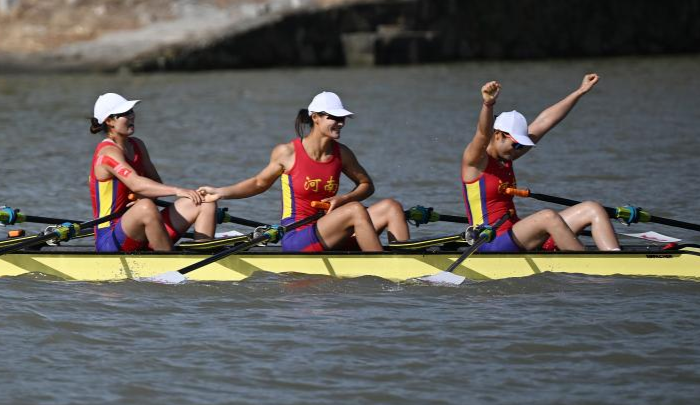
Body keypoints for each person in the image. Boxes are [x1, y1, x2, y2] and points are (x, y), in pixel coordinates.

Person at [199, 91, 409, 252]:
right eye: (334, 117)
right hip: (297, 235)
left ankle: (407, 260)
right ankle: (385, 269)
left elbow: (367, 185)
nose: (340, 123)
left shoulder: (342, 154)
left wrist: (343, 199)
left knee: (392, 206)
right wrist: (220, 192)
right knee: (355, 210)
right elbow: (258, 183)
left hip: (331, 232)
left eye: (342, 118)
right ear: (315, 117)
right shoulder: (287, 152)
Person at [461, 74, 620, 252]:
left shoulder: (508, 155)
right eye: (516, 144)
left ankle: (615, 257)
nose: (518, 149)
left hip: (517, 236)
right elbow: (482, 134)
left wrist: (580, 91)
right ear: (498, 134)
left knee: (593, 208)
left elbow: (546, 121)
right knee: (547, 216)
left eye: (521, 145)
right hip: (490, 242)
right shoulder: (475, 161)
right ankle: (590, 265)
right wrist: (488, 104)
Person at [89, 92, 216, 252]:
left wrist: (144, 196)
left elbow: (155, 184)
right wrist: (177, 190)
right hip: (111, 238)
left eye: (131, 111)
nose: (132, 116)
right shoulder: (107, 153)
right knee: (146, 207)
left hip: (145, 225)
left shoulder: (137, 145)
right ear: (109, 121)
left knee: (205, 200)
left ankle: (203, 257)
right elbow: (136, 183)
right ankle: (170, 266)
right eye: (125, 114)